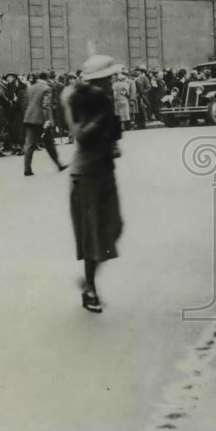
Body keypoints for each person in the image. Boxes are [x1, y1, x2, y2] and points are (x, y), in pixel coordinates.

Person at [66, 55, 124, 313]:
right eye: (108, 78)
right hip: (85, 175)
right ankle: (90, 287)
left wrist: (112, 142)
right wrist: (102, 118)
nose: (113, 81)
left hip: (104, 171)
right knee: (93, 236)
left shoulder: (105, 102)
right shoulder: (80, 101)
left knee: (115, 227)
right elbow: (80, 135)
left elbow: (112, 136)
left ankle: (89, 279)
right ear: (98, 81)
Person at [22, 72, 67, 176]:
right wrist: (47, 120)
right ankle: (59, 164)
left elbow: (26, 103)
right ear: (47, 78)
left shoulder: (30, 88)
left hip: (29, 118)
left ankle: (27, 169)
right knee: (49, 143)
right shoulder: (46, 88)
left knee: (29, 145)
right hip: (41, 120)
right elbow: (46, 105)